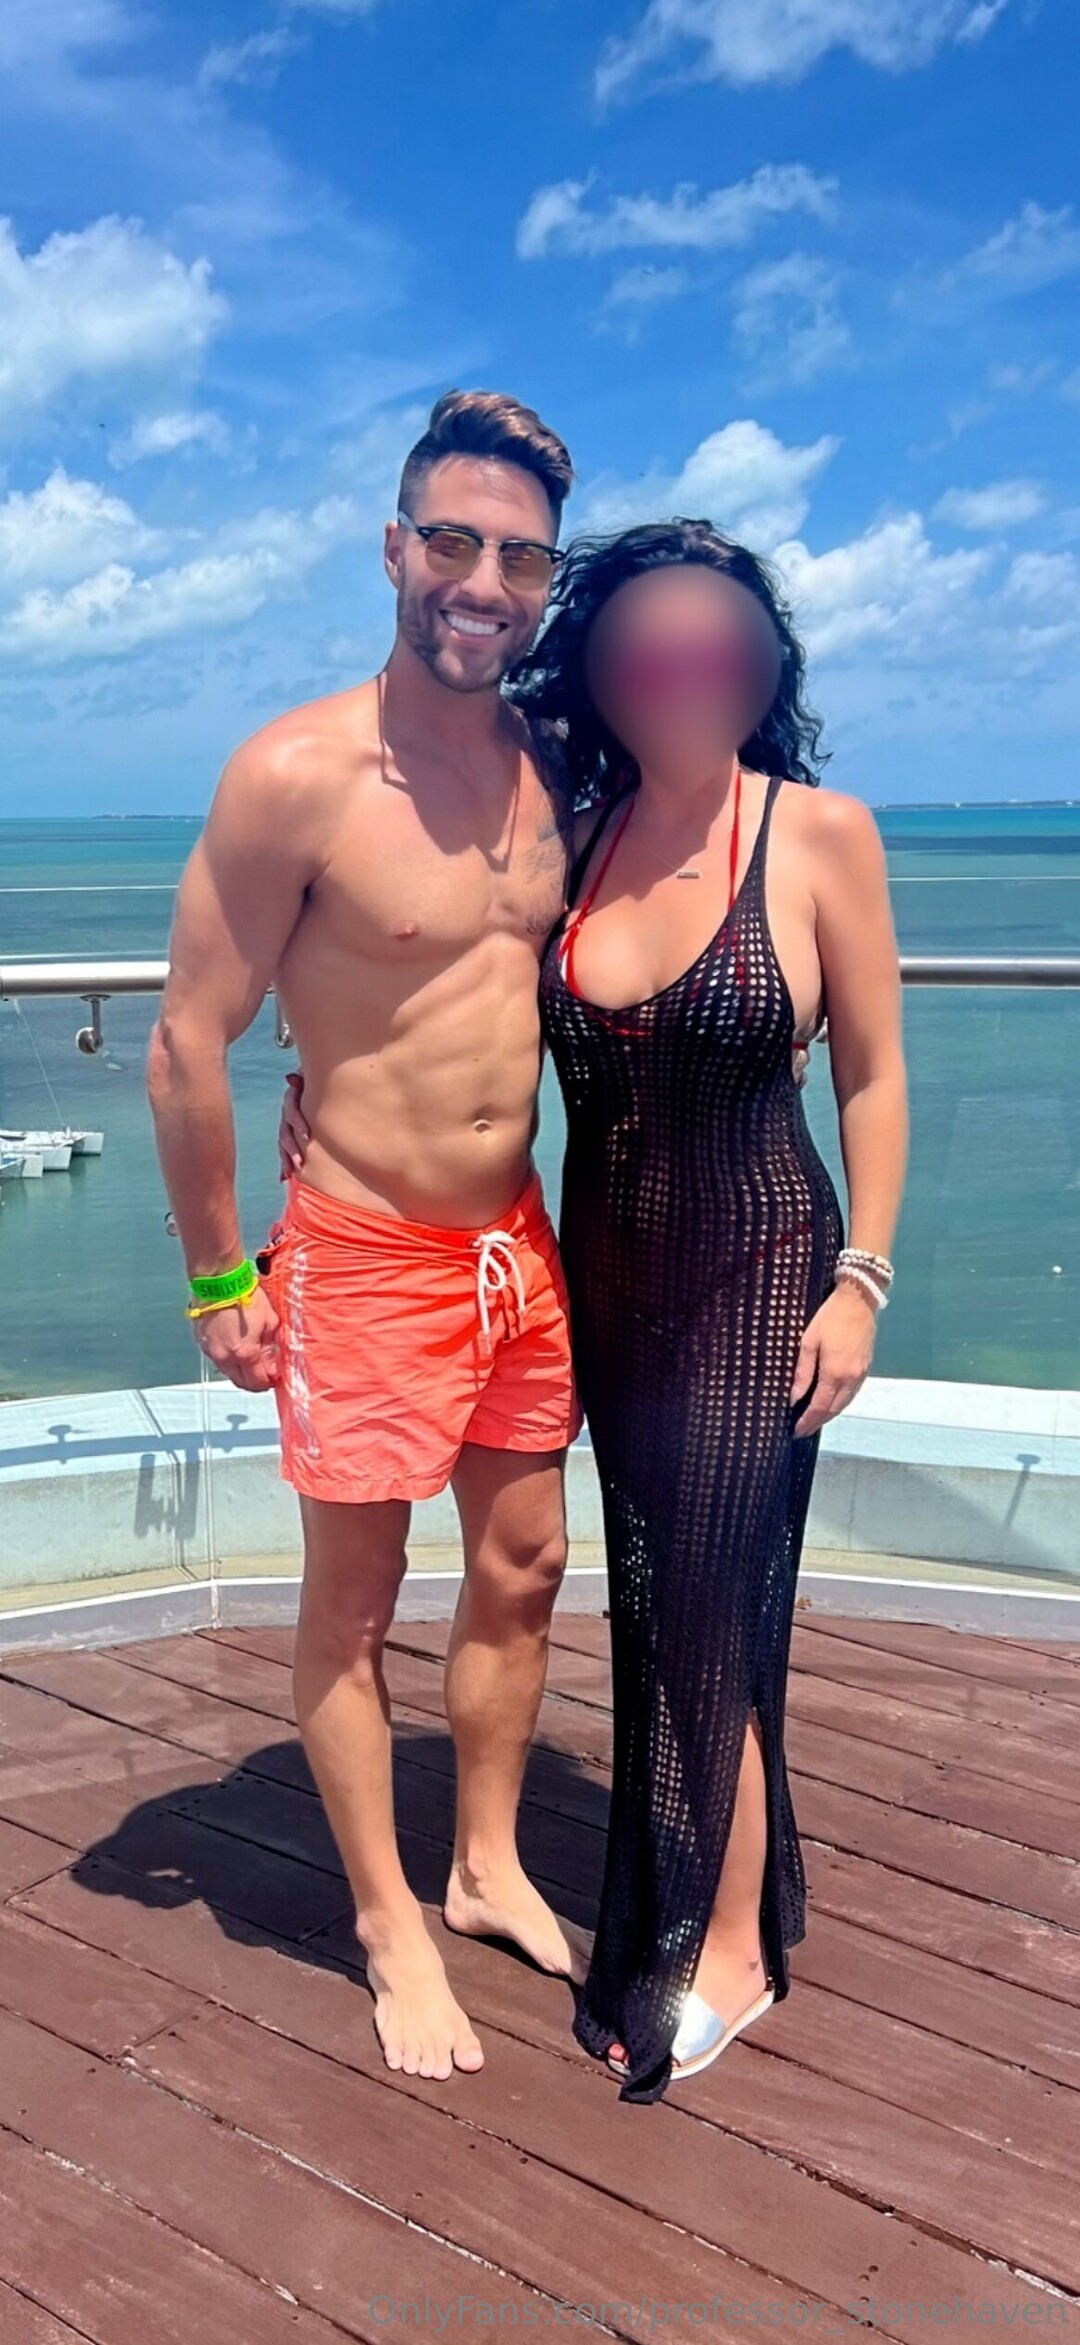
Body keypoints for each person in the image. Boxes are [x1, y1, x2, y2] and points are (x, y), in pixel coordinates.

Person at [279, 514, 907, 2106]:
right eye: (647, 653)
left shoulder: (818, 833)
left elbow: (875, 1074)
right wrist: (327, 1087)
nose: (678, 675)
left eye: (711, 651)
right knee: (650, 1589)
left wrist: (866, 1279)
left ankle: (732, 1944)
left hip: (761, 1268)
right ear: (607, 673)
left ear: (758, 666)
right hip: (600, 1272)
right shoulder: (587, 820)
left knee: (705, 1600)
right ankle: (716, 1878)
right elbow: (442, 976)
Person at [147, 389, 595, 2088]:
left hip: (515, 1246)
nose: (484, 582)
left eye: (522, 558)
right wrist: (218, 1273)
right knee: (354, 1604)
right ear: (395, 548)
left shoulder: (558, 763)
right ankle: (389, 1917)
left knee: (526, 1564)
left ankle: (483, 1862)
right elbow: (189, 1040)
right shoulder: (297, 774)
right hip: (363, 1249)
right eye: (455, 543)